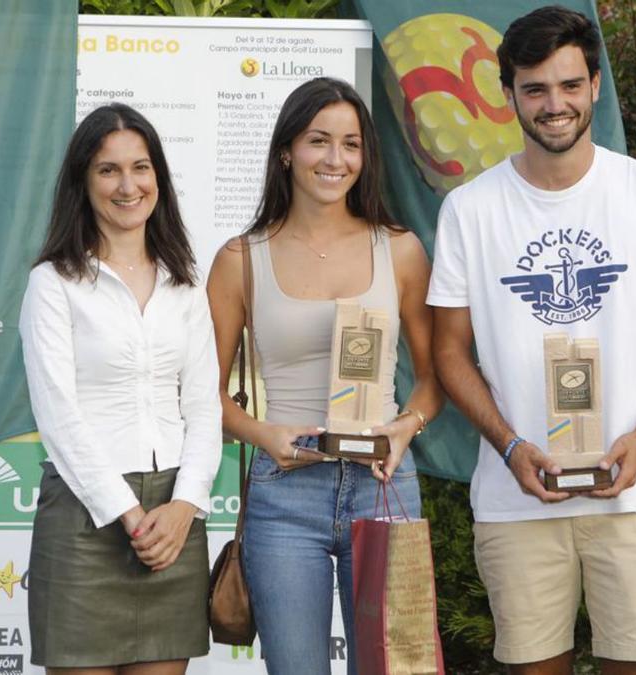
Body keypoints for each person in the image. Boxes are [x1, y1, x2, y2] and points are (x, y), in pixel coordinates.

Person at [429, 7, 636, 675]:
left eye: (568, 86)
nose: (553, 105)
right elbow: (449, 352)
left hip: (635, 493)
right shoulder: (468, 211)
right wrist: (510, 445)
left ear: (594, 85)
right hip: (518, 496)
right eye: (534, 88)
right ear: (509, 96)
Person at [206, 77, 443, 675]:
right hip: (285, 491)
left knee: (395, 667)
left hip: (384, 484)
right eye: (318, 141)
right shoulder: (241, 259)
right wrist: (263, 435)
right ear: (287, 150)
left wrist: (405, 427)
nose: (336, 159)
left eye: (352, 144)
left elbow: (436, 378)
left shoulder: (402, 250)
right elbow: (201, 397)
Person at [19, 103, 221, 675]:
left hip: (175, 522)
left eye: (141, 167)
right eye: (108, 170)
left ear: (158, 177)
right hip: (86, 517)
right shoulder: (53, 284)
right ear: (83, 182)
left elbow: (204, 408)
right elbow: (58, 414)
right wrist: (129, 514)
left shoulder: (184, 283)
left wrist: (185, 506)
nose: (128, 185)